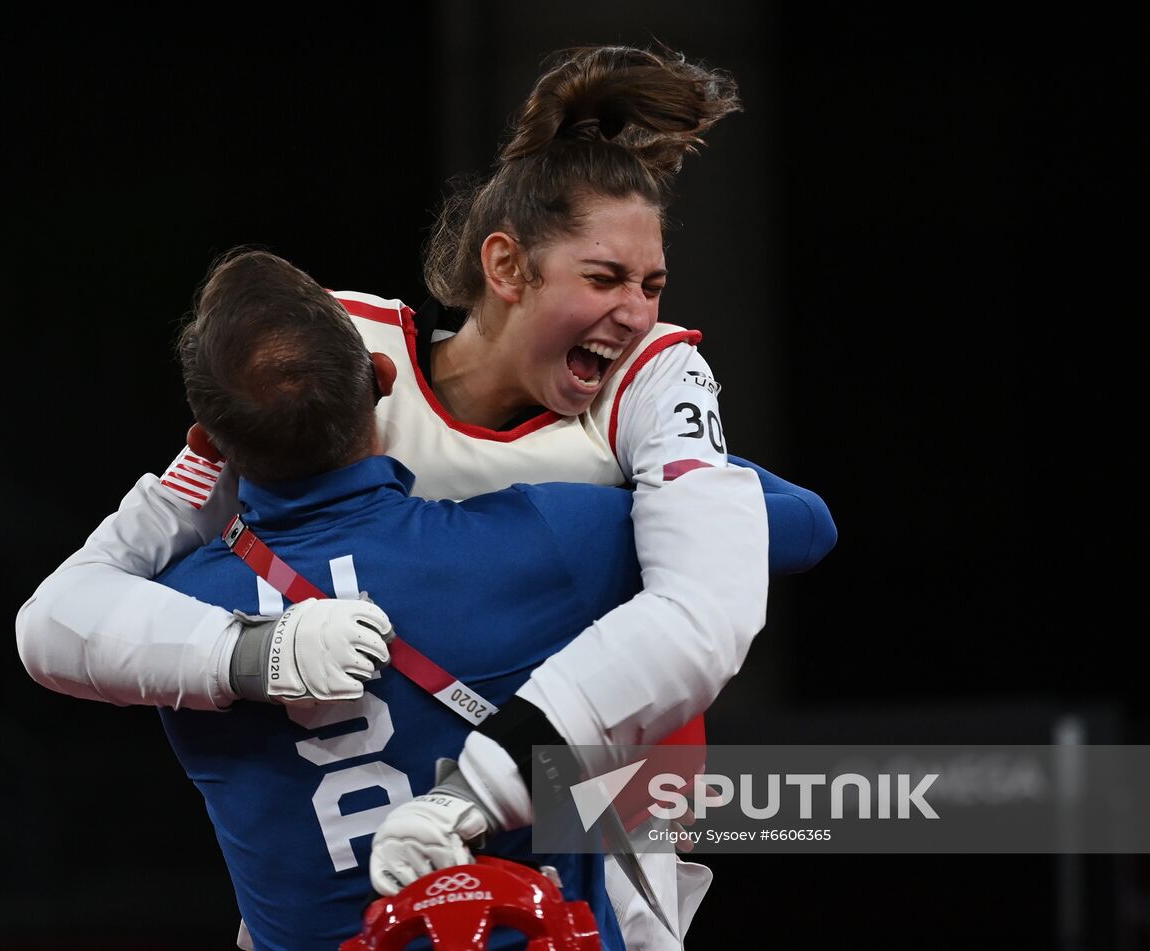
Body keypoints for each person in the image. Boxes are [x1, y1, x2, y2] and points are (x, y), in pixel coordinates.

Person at [16, 45, 835, 947]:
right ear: (506, 266)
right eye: (603, 278)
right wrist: (258, 650)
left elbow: (779, 546)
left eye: (652, 283)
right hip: (358, 843)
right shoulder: (331, 353)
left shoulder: (651, 376)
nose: (636, 310)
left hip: (590, 827)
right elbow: (64, 614)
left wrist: (646, 489)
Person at [152, 248, 766, 949]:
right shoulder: (541, 539)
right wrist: (605, 456)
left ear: (207, 441)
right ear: (384, 380)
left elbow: (65, 627)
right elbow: (800, 527)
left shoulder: (169, 610)